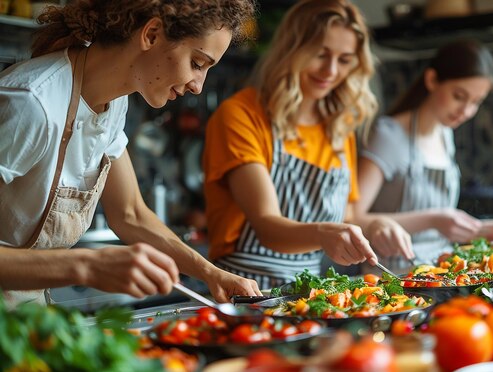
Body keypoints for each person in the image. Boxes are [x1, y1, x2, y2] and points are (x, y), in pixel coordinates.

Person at [0, 0, 262, 308]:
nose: (198, 87)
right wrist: (87, 266)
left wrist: (210, 273)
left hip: (25, 319)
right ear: (151, 34)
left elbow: (131, 214)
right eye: (197, 63)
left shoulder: (114, 105)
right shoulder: (31, 103)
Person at [203, 0, 415, 289]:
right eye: (320, 54)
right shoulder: (241, 115)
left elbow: (348, 217)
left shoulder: (338, 128)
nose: (330, 70)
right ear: (292, 49)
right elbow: (267, 227)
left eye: (344, 60)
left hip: (309, 292)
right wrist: (323, 233)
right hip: (242, 288)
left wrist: (375, 225)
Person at [355, 39, 493, 268]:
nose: (466, 111)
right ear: (432, 80)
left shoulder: (445, 135)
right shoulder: (389, 135)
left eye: (476, 102)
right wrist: (434, 219)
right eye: (459, 96)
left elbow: (443, 225)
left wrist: (478, 230)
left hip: (438, 273)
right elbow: (351, 218)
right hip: (390, 282)